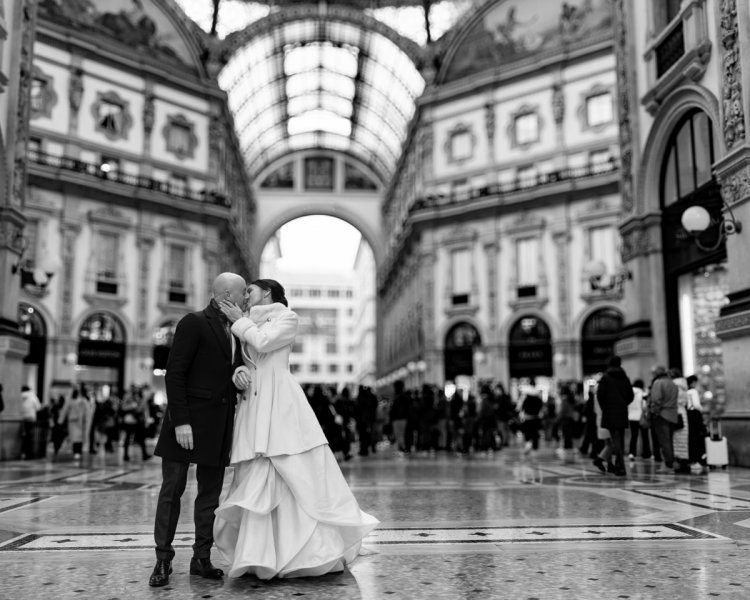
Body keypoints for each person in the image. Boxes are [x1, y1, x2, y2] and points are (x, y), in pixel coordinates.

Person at [213, 278, 378, 579]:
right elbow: (243, 361)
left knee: (291, 466)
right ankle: (258, 555)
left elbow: (264, 342)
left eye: (251, 290)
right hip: (254, 403)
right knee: (256, 473)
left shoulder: (286, 318)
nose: (247, 295)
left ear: (268, 293)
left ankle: (309, 552)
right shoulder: (244, 322)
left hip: (281, 401)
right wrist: (238, 372)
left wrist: (239, 321)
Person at [149, 272, 247, 588]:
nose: (247, 299)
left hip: (219, 423)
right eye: (244, 293)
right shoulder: (193, 322)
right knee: (171, 492)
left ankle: (201, 558)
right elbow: (175, 374)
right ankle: (163, 559)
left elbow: (232, 369)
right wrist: (181, 422)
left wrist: (241, 372)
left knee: (209, 496)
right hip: (186, 423)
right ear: (229, 294)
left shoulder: (239, 328)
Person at [594, 356, 633, 476]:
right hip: (621, 412)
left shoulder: (605, 378)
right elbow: (630, 396)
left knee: (615, 441)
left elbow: (600, 395)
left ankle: (620, 467)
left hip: (609, 412)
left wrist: (606, 407)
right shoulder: (625, 378)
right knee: (618, 440)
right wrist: (622, 404)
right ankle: (616, 465)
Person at [648, 365, 679, 473]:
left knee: (664, 441)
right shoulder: (673, 383)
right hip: (672, 415)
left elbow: (656, 400)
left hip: (662, 415)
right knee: (669, 440)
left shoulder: (658, 383)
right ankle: (670, 463)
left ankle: (668, 465)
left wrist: (653, 413)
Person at [58, 389, 90, 460]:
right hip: (73, 422)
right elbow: (65, 410)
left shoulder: (82, 401)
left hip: (80, 422)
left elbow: (87, 412)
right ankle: (76, 451)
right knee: (76, 438)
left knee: (78, 438)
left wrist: (61, 420)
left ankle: (77, 451)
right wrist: (61, 420)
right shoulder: (71, 401)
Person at [628, 379, 651, 460]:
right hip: (641, 417)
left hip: (631, 417)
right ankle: (646, 453)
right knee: (645, 436)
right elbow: (645, 406)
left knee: (634, 436)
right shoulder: (643, 394)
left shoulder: (629, 393)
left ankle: (632, 453)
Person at [20, 385, 42, 459]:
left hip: (22, 418)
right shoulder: (33, 396)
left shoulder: (19, 396)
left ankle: (23, 452)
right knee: (31, 436)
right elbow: (38, 407)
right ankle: (29, 453)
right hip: (31, 418)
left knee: (23, 436)